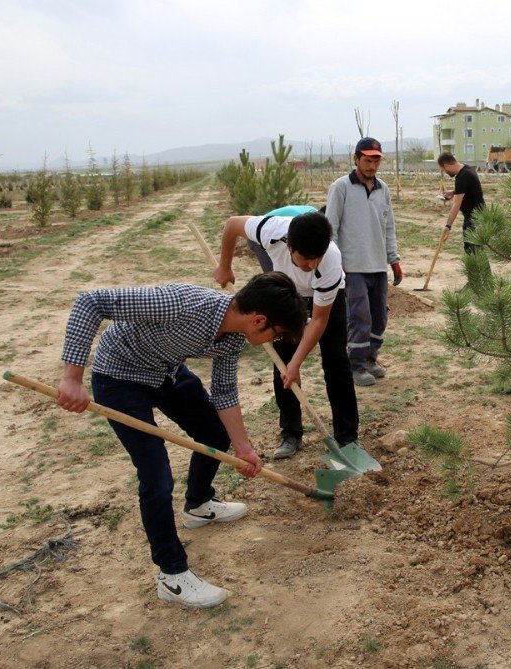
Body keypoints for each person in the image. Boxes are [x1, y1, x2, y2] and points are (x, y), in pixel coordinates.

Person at [55, 273, 307, 608]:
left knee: (215, 434)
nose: (272, 340)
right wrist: (72, 377)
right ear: (260, 320)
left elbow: (225, 392)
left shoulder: (232, 336)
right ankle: (172, 576)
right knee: (156, 475)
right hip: (119, 377)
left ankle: (199, 505)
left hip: (165, 371)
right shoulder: (182, 304)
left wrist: (243, 448)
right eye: (276, 334)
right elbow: (91, 302)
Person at [214, 208, 360, 460]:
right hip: (287, 292)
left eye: (318, 257)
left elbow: (318, 320)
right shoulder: (270, 231)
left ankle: (347, 438)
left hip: (326, 299)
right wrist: (224, 266)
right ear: (289, 246)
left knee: (336, 362)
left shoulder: (331, 261)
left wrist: (298, 362)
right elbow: (232, 224)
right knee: (282, 362)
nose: (312, 264)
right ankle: (291, 432)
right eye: (306, 258)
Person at [326, 137, 401, 387]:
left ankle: (370, 358)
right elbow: (331, 229)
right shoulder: (341, 188)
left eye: (376, 161)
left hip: (378, 266)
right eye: (367, 160)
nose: (371, 166)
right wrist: (337, 264)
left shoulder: (383, 189)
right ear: (356, 159)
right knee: (360, 317)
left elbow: (388, 227)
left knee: (379, 318)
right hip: (352, 267)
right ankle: (355, 365)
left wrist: (394, 259)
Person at [437, 152, 485, 255]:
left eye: (444, 170)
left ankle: (478, 271)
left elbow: (456, 205)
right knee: (476, 251)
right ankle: (480, 271)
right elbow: (469, 190)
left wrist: (448, 226)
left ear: (446, 165)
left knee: (473, 251)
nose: (445, 172)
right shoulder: (466, 169)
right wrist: (454, 193)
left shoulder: (462, 176)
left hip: (474, 218)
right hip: (478, 215)